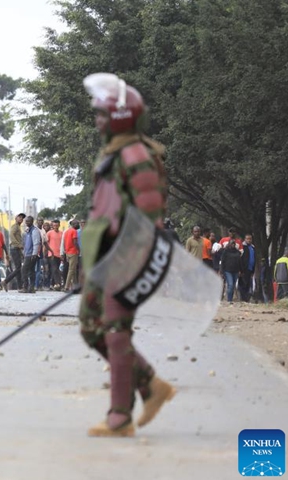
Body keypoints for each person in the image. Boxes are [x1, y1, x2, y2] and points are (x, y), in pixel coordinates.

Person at [78, 73, 172, 437]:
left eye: (102, 115)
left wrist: (123, 265)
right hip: (99, 261)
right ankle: (150, 385)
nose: (97, 121)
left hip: (126, 259)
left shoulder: (136, 157)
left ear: (118, 117)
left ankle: (120, 417)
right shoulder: (111, 156)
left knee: (116, 332)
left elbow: (148, 221)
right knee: (91, 328)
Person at [1, 213, 26, 291]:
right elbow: (11, 236)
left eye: (22, 218)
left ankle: (20, 286)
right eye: (20, 217)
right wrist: (19, 245)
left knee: (18, 268)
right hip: (14, 248)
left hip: (16, 249)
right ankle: (5, 281)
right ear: (16, 218)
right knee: (18, 268)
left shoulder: (18, 227)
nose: (21, 219)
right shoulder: (15, 227)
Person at [20, 216, 41, 293]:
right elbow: (26, 244)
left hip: (31, 254)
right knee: (31, 271)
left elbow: (36, 243)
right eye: (26, 221)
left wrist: (34, 253)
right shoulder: (28, 231)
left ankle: (25, 287)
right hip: (27, 254)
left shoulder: (34, 231)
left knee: (24, 270)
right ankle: (31, 288)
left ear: (32, 221)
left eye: (28, 221)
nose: (27, 223)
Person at [219, 238, 241, 304]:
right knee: (230, 284)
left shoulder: (237, 252)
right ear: (229, 244)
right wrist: (221, 271)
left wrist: (241, 270)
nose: (233, 245)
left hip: (236, 271)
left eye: (234, 243)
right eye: (231, 243)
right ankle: (229, 299)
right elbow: (222, 261)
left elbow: (240, 262)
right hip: (227, 270)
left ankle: (231, 299)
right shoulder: (225, 252)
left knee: (233, 285)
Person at [62, 220, 81, 291]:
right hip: (73, 252)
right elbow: (75, 242)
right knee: (71, 270)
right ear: (74, 224)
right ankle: (66, 287)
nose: (78, 225)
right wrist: (79, 249)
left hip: (68, 253)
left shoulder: (66, 232)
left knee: (74, 270)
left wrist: (65, 252)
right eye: (77, 223)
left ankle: (75, 286)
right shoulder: (74, 231)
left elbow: (64, 242)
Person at [239, 234, 256, 303]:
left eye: (250, 239)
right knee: (243, 284)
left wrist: (253, 270)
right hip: (243, 269)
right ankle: (243, 299)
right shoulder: (242, 247)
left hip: (250, 268)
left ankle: (246, 299)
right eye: (247, 239)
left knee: (248, 284)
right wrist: (240, 269)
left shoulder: (253, 247)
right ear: (245, 239)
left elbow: (253, 259)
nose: (249, 240)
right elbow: (240, 259)